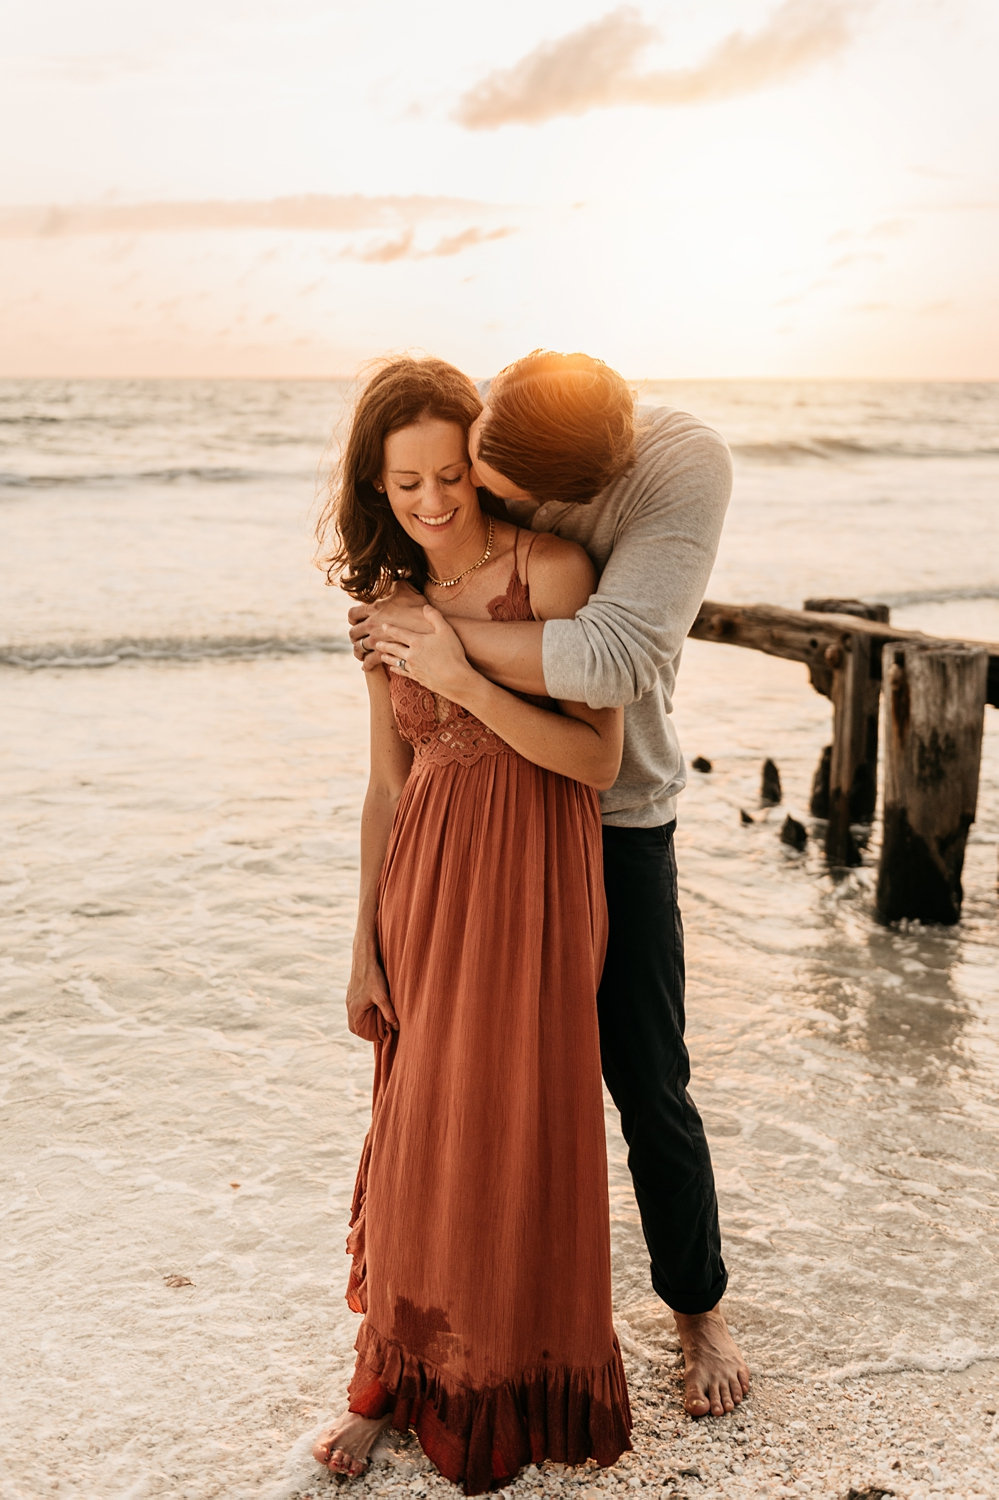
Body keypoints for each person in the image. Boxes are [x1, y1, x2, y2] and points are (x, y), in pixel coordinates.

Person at [349, 350, 751, 1421]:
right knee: (456, 1096)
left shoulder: (671, 476)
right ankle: (440, 1339)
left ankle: (696, 1307)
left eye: (483, 475)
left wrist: (439, 653)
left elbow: (615, 669)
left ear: (557, 488)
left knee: (644, 1077)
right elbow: (387, 779)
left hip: (611, 822)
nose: (466, 490)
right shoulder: (510, 433)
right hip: (466, 846)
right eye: (454, 464)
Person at [312, 356, 632, 1495]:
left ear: (482, 466)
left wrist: (464, 673)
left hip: (538, 876)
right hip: (429, 881)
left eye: (451, 474)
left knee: (515, 1120)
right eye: (406, 486)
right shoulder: (387, 607)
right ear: (378, 489)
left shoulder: (552, 567)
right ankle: (400, 1382)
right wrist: (363, 940)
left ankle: (512, 1377)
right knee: (421, 1120)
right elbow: (387, 787)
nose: (435, 501)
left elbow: (593, 758)